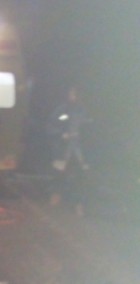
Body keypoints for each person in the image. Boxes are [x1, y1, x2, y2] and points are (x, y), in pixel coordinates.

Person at [46, 86, 92, 214]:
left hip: (81, 152)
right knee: (59, 175)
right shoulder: (62, 110)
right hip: (62, 150)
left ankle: (79, 205)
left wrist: (84, 136)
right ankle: (55, 199)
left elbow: (93, 131)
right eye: (70, 93)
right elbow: (50, 127)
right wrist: (61, 134)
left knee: (81, 178)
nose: (71, 96)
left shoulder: (87, 111)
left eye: (73, 94)